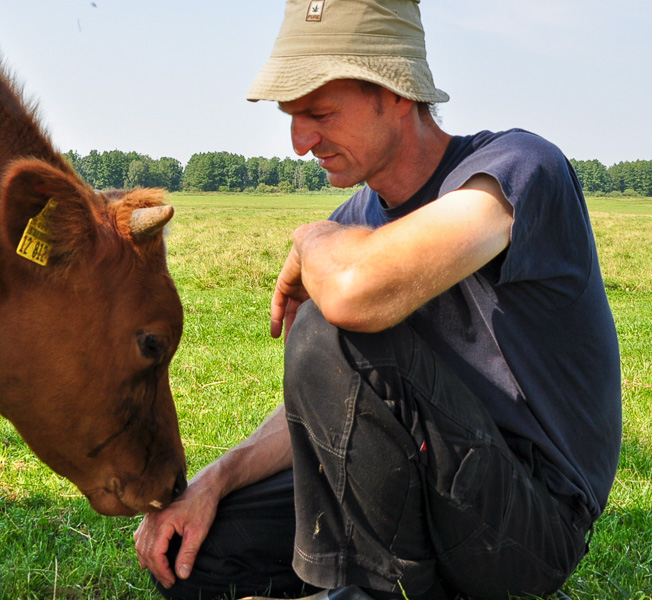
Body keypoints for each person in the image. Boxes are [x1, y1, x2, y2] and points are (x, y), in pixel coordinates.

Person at [133, 1, 622, 599]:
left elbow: (353, 299)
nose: (299, 141)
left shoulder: (516, 170)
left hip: (525, 525)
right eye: (291, 116)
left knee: (325, 324)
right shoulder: (355, 224)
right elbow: (340, 404)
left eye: (318, 112)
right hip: (416, 487)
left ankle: (368, 590)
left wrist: (315, 241)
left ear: (395, 90)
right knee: (197, 553)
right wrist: (214, 481)